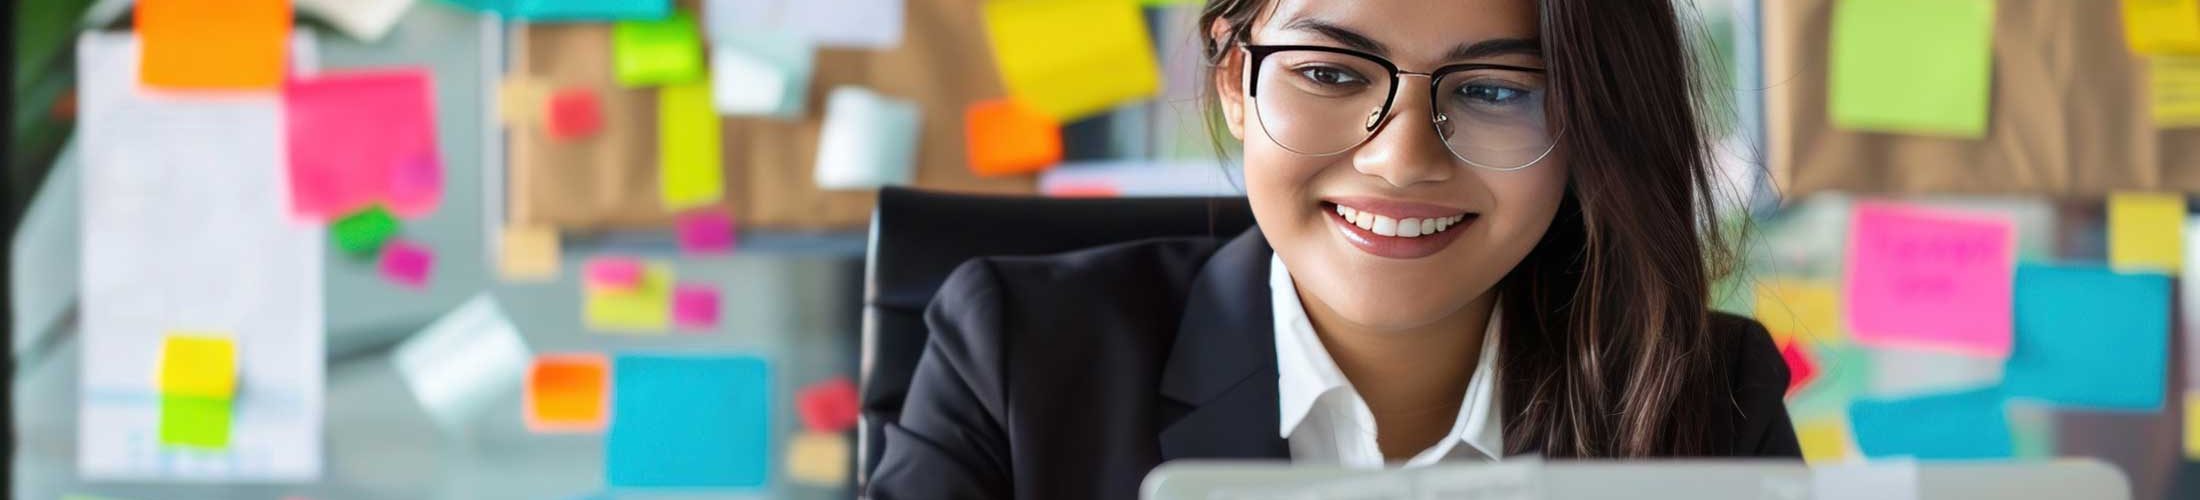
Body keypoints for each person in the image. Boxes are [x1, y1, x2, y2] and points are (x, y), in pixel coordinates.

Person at [869, 0, 1799, 498]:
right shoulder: (1017, 355)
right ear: (1235, 83)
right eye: (1327, 73)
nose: (1400, 160)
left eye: (1497, 90)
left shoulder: (1703, 392)